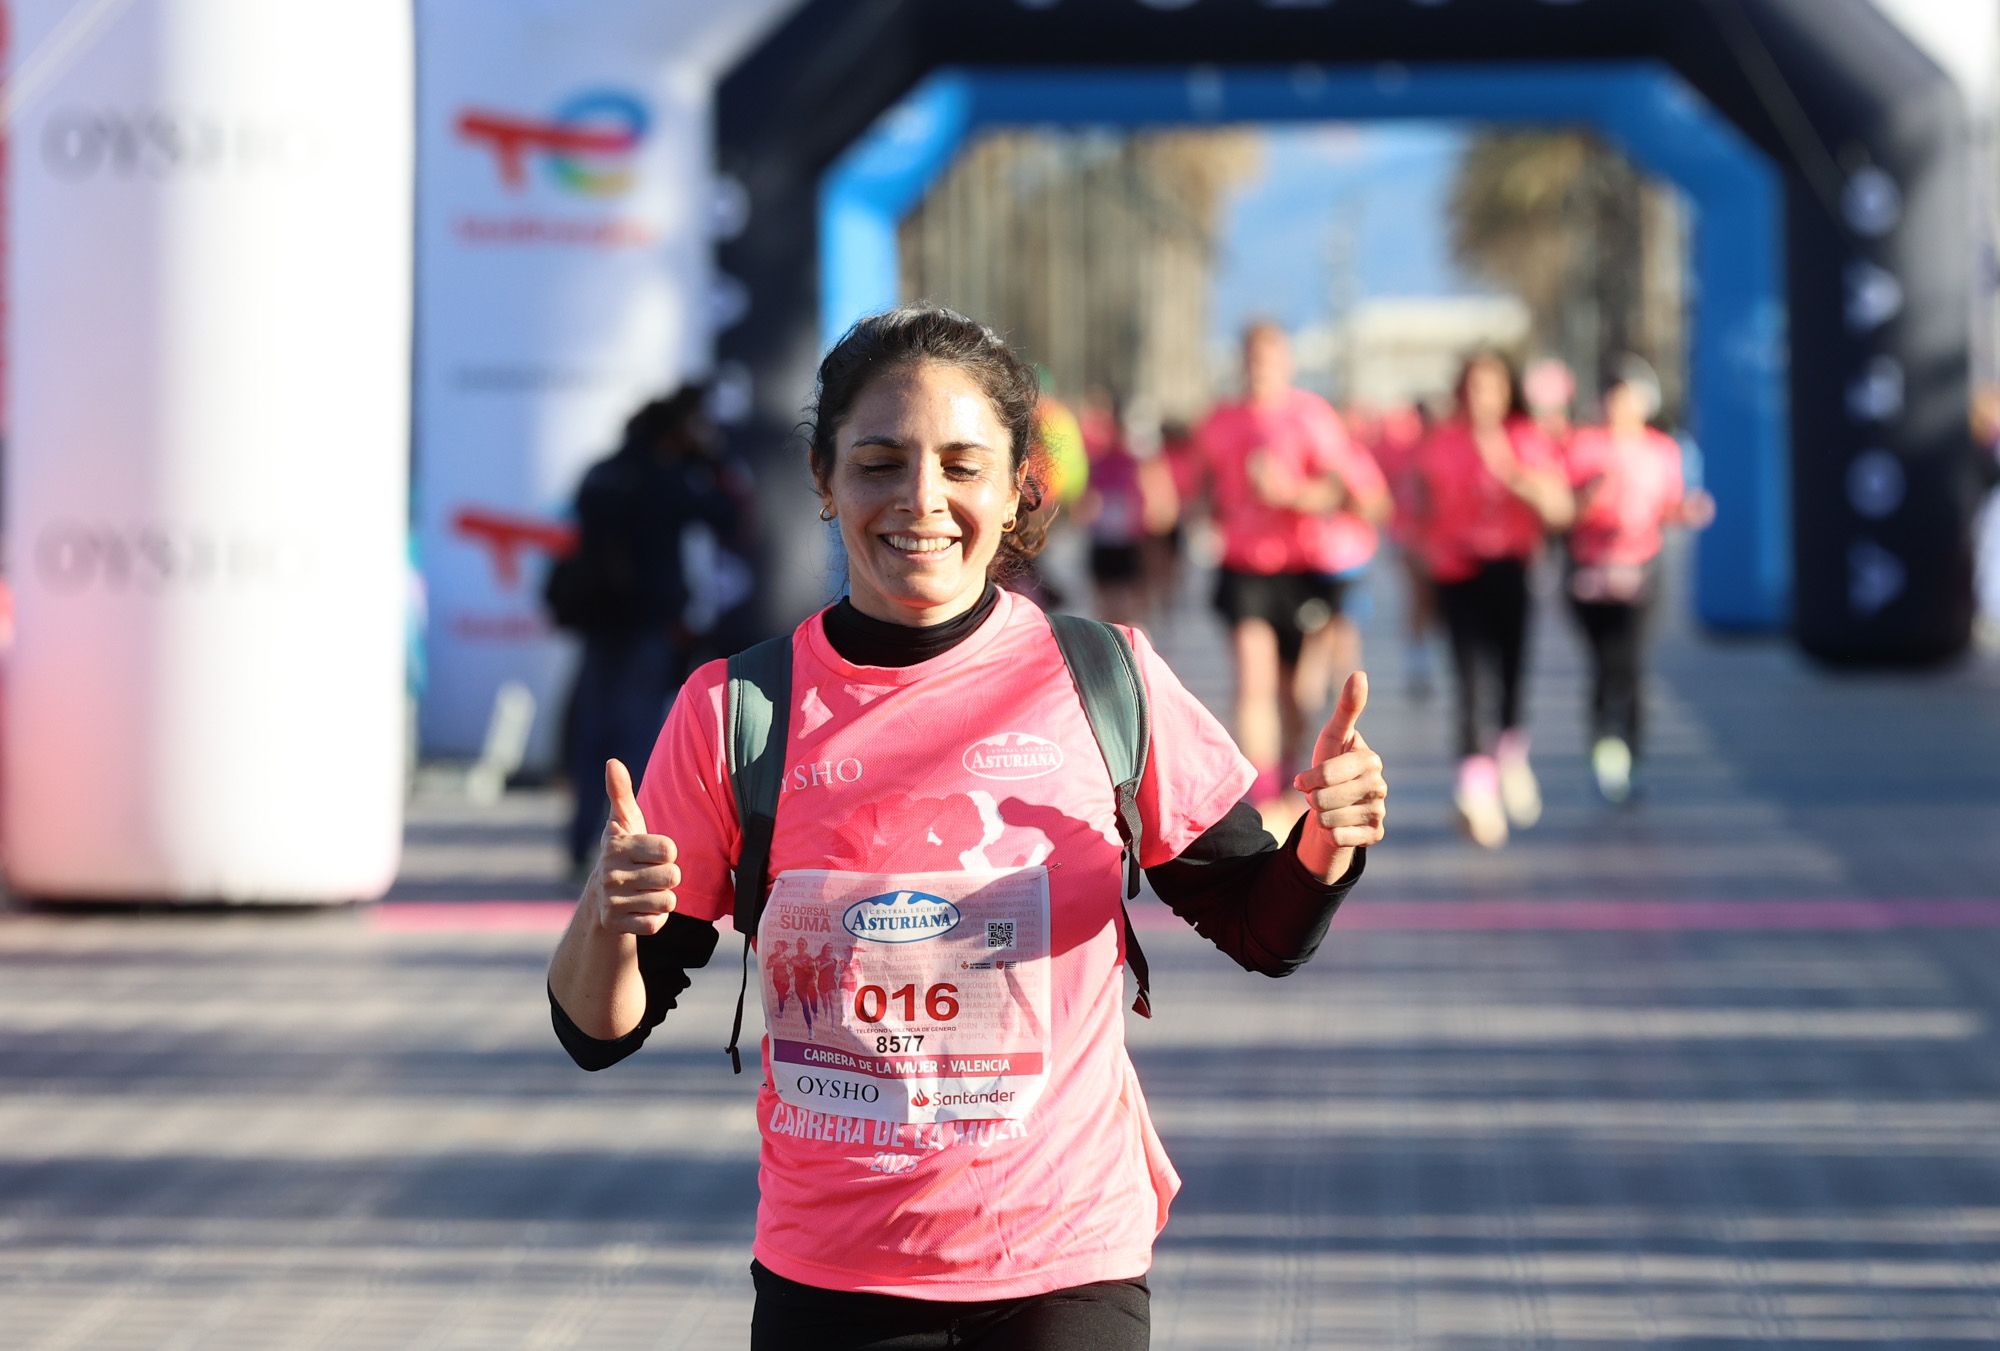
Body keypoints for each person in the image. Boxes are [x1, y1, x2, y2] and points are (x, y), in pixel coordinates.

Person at [545, 305, 1390, 1351]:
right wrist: (607, 910)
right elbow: (598, 1030)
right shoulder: (736, 710)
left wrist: (1325, 840)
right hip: (832, 1280)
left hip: (1065, 1265)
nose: (920, 500)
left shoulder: (1105, 677)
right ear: (823, 480)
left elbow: (1262, 928)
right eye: (879, 463)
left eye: (960, 464)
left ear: (1015, 485)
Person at [1196, 321, 1391, 813]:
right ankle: (1262, 793)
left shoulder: (1310, 416)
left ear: (1286, 362)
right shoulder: (1221, 420)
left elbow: (1344, 491)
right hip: (1244, 567)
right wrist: (1205, 505)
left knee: (1296, 694)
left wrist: (1290, 493)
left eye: (1269, 358)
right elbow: (1202, 485)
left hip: (1301, 568)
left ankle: (1289, 776)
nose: (1259, 367)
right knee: (1252, 676)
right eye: (1252, 358)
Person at [550, 385, 737, 877]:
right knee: (635, 739)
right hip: (648, 625)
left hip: (600, 624)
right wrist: (711, 461)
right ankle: (625, 843)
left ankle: (580, 842)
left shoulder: (603, 473)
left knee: (594, 733)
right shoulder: (668, 478)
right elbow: (730, 517)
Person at [1415, 349, 1574, 849]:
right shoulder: (1441, 444)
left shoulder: (1527, 440)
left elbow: (1559, 510)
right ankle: (1473, 786)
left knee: (1509, 672)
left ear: (1508, 393)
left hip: (1511, 569)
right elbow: (1419, 509)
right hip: (1459, 572)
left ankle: (1511, 753)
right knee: (1468, 679)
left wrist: (1513, 475)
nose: (1483, 398)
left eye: (1493, 387)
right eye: (1474, 387)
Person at [1562, 358, 1713, 803]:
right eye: (1612, 395)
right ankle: (1604, 749)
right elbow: (1561, 509)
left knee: (1630, 666)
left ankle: (1631, 755)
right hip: (1589, 572)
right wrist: (1587, 499)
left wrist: (1686, 510)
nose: (1619, 405)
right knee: (1602, 665)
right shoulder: (1582, 446)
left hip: (1642, 570)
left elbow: (1668, 504)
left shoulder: (1662, 449)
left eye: (1628, 396)